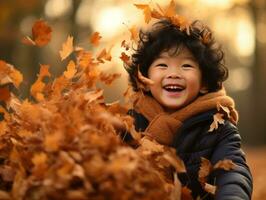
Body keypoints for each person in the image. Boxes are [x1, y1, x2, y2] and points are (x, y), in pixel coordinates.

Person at [124, 18, 253, 199]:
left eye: (186, 66)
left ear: (204, 84)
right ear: (144, 81)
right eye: (162, 65)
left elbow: (234, 172)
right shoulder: (129, 123)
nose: (174, 73)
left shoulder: (218, 128)